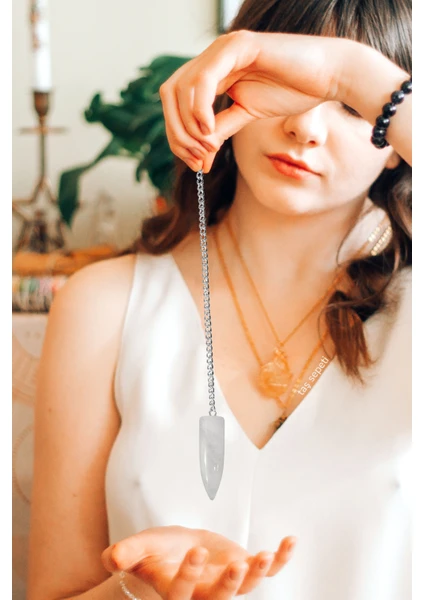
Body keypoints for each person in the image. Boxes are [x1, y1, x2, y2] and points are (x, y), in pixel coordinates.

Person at [26, 1, 412, 599]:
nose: (305, 127)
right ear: (226, 84)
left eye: (351, 105)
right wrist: (139, 590)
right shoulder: (102, 307)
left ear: (395, 143)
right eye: (285, 84)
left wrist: (354, 74)